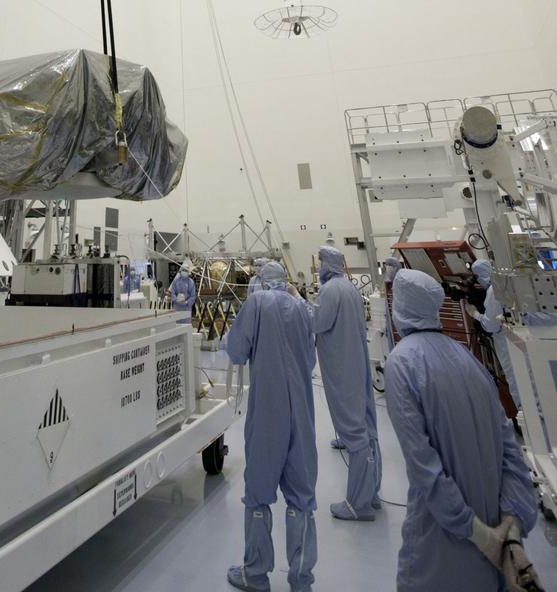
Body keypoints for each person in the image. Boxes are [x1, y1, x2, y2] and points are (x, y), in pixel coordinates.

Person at [385, 269, 539, 592]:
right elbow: (511, 454)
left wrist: (480, 535)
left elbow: (425, 468)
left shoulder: (402, 364)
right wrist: (509, 536)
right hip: (494, 558)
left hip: (442, 550)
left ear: (398, 309)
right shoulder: (467, 359)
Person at [225, 261, 317, 592]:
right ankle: (301, 578)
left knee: (260, 488)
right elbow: (309, 360)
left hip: (268, 408)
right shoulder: (301, 308)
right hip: (302, 410)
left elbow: (236, 351)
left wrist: (230, 339)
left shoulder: (258, 303)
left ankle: (256, 572)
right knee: (302, 493)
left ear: (261, 281)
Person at [311, 246, 381, 520]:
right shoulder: (349, 288)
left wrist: (299, 306)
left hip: (342, 367)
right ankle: (371, 491)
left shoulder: (329, 292)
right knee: (365, 426)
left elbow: (317, 322)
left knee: (353, 432)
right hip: (355, 363)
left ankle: (357, 504)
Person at [466, 258, 522, 408]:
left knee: (518, 384)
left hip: (507, 343)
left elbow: (490, 326)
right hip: (522, 341)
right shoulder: (507, 282)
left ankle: (529, 424)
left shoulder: (493, 290)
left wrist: (475, 314)